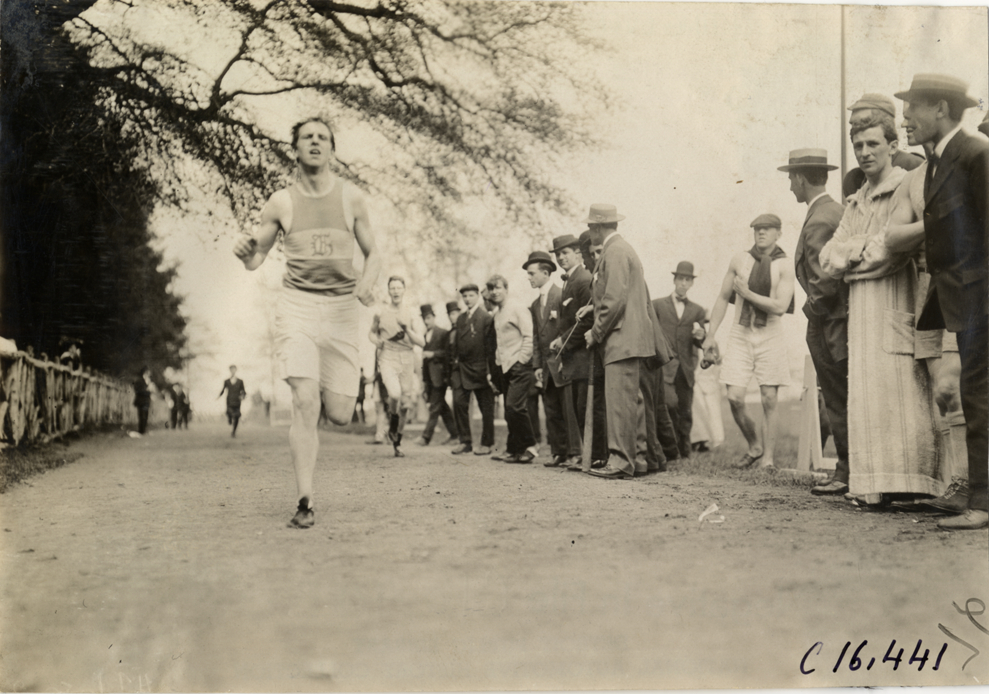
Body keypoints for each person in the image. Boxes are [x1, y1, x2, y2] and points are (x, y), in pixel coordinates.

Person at [233, 117, 381, 529]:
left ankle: (326, 397)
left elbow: (374, 255)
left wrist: (367, 285)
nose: (315, 142)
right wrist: (244, 251)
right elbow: (255, 259)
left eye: (323, 137)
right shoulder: (281, 202)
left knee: (337, 413)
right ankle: (305, 500)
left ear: (332, 149)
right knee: (303, 401)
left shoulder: (351, 198)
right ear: (295, 149)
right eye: (306, 137)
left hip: (341, 309)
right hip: (297, 306)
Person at [819, 110, 942, 507]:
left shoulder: (904, 187)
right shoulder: (855, 200)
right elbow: (827, 257)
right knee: (867, 394)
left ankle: (915, 483)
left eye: (873, 144)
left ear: (892, 146)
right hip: (862, 312)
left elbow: (888, 254)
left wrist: (853, 257)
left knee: (902, 394)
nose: (865, 152)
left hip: (895, 303)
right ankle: (872, 484)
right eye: (858, 146)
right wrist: (858, 252)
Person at [894, 74, 988, 530]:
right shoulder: (938, 160)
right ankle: (976, 495)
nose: (906, 117)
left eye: (914, 107)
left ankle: (983, 505)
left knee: (979, 395)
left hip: (981, 300)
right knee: (974, 394)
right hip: (962, 300)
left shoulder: (976, 154)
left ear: (942, 111)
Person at [779, 148, 851, 495]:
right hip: (835, 321)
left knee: (838, 398)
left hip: (830, 324)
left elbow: (825, 279)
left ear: (801, 178)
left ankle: (846, 471)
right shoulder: (831, 210)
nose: (790, 186)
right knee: (842, 396)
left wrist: (812, 312)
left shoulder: (822, 217)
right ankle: (850, 469)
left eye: (791, 178)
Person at [703, 213, 795, 470]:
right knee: (734, 397)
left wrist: (746, 293)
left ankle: (768, 458)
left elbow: (779, 307)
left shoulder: (785, 265)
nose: (761, 233)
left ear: (779, 233)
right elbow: (723, 298)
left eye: (767, 229)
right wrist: (711, 335)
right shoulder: (740, 260)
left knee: (769, 397)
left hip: (770, 334)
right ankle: (754, 444)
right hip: (741, 332)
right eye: (757, 229)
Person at [582, 204, 664, 479]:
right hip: (632, 337)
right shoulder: (623, 249)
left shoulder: (614, 251)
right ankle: (638, 459)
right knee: (633, 402)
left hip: (621, 337)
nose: (590, 231)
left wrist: (595, 332)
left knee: (619, 403)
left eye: (591, 226)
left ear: (597, 227)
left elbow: (614, 299)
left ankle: (620, 461)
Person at [549, 234, 596, 468]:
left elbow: (588, 321)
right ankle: (586, 456)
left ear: (578, 253)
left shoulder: (584, 279)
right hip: (573, 358)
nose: (560, 257)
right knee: (578, 408)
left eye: (565, 253)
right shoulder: (570, 281)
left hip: (584, 356)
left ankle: (593, 457)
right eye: (558, 254)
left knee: (585, 408)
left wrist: (563, 342)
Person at [654, 261, 707, 459]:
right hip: (665, 366)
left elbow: (699, 339)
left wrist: (701, 336)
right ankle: (668, 450)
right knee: (668, 406)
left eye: (688, 280)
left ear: (691, 283)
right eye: (680, 279)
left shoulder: (697, 310)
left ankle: (684, 452)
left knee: (685, 410)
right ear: (674, 280)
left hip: (685, 369)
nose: (683, 283)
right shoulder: (658, 305)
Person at [369, 276, 424, 457]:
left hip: (407, 357)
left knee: (406, 404)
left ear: (403, 290)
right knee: (394, 393)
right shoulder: (381, 312)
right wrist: (376, 341)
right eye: (392, 288)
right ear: (388, 290)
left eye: (398, 288)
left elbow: (421, 342)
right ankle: (393, 422)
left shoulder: (412, 313)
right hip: (388, 357)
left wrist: (407, 329)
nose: (395, 291)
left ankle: (397, 442)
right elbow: (371, 333)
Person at [524, 250, 571, 467]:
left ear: (545, 272)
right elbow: (535, 337)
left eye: (532, 273)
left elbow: (568, 329)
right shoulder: (534, 305)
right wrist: (536, 366)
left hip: (562, 362)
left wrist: (564, 357)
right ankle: (558, 452)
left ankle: (573, 452)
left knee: (566, 407)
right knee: (550, 409)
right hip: (545, 366)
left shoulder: (561, 295)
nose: (529, 277)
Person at [487, 274, 538, 464]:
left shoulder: (517, 308)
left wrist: (522, 359)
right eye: (491, 289)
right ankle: (514, 449)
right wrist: (499, 365)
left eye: (498, 288)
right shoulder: (498, 314)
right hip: (505, 367)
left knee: (514, 407)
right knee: (510, 411)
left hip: (519, 365)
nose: (495, 292)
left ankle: (531, 446)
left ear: (506, 289)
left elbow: (529, 335)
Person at [842, 93, 925, 199]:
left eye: (861, 121)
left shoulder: (913, 165)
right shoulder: (857, 177)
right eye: (853, 124)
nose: (854, 128)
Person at [450, 284, 498, 456]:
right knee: (459, 403)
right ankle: (465, 441)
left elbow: (490, 347)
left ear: (478, 296)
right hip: (462, 368)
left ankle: (487, 443)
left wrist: (489, 370)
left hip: (480, 368)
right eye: (465, 296)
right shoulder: (461, 318)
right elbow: (456, 344)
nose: (468, 299)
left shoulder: (486, 317)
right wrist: (455, 366)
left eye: (471, 295)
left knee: (486, 408)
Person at [416, 304, 458, 446]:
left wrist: (432, 354)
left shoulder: (442, 333)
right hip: (430, 378)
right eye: (424, 319)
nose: (426, 321)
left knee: (434, 407)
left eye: (428, 318)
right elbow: (424, 361)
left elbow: (447, 354)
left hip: (440, 377)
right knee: (442, 407)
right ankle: (455, 435)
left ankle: (426, 437)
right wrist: (424, 380)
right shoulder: (424, 335)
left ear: (433, 317)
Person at [218, 365, 247, 438]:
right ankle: (230, 418)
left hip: (237, 401)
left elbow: (243, 391)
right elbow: (223, 390)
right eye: (231, 369)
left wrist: (242, 396)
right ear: (230, 370)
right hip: (229, 401)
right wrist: (219, 396)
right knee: (229, 412)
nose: (233, 371)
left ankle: (233, 431)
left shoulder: (240, 381)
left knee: (237, 416)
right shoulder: (226, 381)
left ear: (236, 370)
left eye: (234, 369)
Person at [132, 366, 152, 435]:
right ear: (145, 373)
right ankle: (141, 430)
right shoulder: (139, 380)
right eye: (148, 373)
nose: (149, 374)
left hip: (145, 402)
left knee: (145, 416)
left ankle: (143, 430)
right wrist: (148, 392)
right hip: (141, 401)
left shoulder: (146, 381)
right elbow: (138, 391)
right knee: (142, 416)